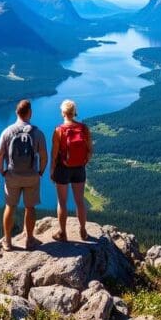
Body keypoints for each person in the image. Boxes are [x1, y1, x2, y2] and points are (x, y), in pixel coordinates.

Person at [0, 99, 48, 251]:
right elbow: (44, 156)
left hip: (12, 175)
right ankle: (30, 240)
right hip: (32, 176)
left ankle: (7, 241)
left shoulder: (7, 131)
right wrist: (40, 172)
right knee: (30, 208)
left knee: (10, 207)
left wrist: (3, 171)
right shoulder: (37, 132)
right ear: (30, 113)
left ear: (16, 113)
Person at [50, 99, 92, 242]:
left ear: (63, 113)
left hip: (63, 168)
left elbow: (54, 153)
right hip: (79, 168)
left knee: (62, 202)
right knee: (79, 200)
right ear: (74, 112)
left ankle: (63, 232)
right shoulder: (84, 128)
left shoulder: (59, 130)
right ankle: (83, 229)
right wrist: (83, 162)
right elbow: (90, 150)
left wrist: (52, 169)